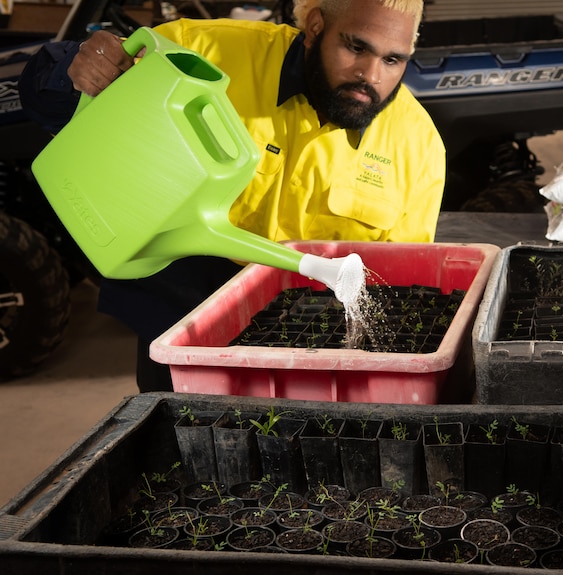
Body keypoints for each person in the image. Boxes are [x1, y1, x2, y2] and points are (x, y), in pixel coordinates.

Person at [19, 0, 445, 392]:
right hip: (182, 333)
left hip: (312, 353)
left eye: (392, 60)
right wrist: (77, 68)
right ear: (316, 26)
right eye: (355, 47)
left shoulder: (418, 145)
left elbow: (400, 278)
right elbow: (43, 86)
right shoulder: (202, 53)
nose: (370, 76)